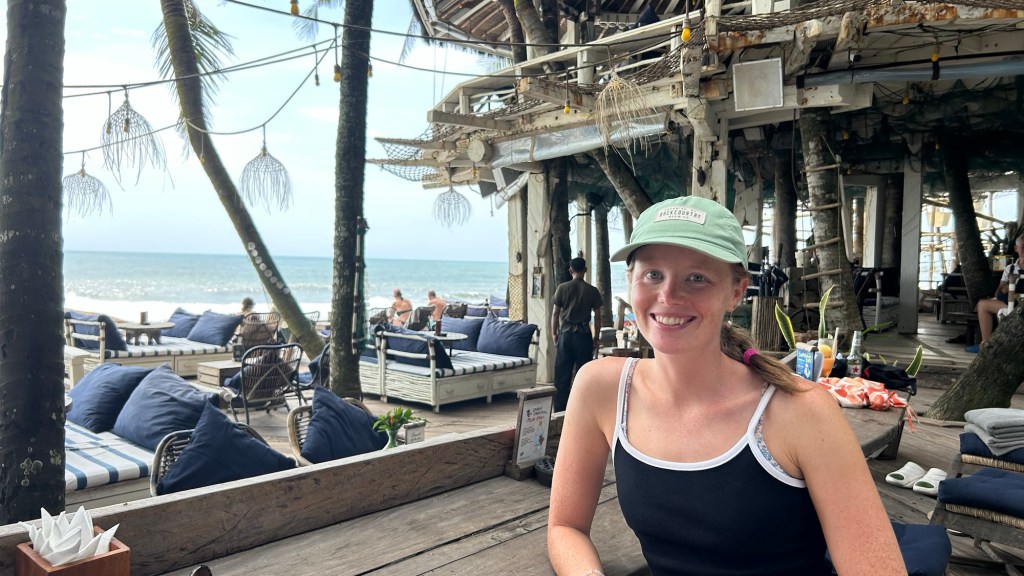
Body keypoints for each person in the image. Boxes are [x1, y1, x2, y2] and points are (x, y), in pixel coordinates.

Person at [547, 196, 904, 575]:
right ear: (631, 280)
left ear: (736, 291)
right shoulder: (602, 388)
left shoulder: (802, 411)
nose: (668, 295)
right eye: (652, 274)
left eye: (697, 278)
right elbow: (565, 527)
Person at [550, 257, 603, 413]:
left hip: (565, 336)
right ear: (585, 270)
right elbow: (597, 317)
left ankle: (560, 411)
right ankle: (581, 411)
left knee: (562, 376)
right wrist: (596, 337)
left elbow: (555, 313)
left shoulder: (562, 288)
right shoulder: (592, 291)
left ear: (570, 270)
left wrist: (554, 333)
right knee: (583, 376)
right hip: (583, 336)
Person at [968, 235, 1024, 353]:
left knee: (985, 305)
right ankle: (986, 344)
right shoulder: (1010, 268)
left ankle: (990, 345)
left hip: (1020, 303)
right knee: (982, 304)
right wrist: (1005, 286)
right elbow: (998, 291)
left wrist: (1013, 287)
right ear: (1016, 248)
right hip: (1010, 303)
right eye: (1022, 247)